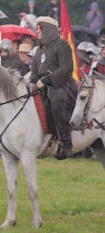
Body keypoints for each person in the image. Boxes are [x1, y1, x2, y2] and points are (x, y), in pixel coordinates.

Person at [29, 16, 75, 159]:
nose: (37, 31)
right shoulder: (38, 51)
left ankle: (66, 143)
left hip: (62, 86)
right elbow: (34, 74)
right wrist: (31, 83)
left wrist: (48, 79)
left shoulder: (62, 45)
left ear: (48, 29)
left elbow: (66, 69)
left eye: (39, 28)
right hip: (42, 88)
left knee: (56, 101)